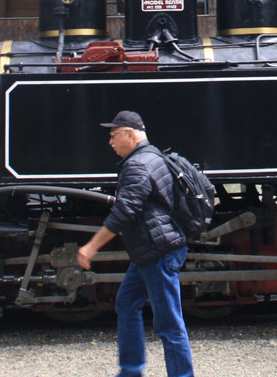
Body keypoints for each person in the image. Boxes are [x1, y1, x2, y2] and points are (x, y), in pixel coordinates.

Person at [77, 110, 194, 377]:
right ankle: (131, 371)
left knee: (169, 325)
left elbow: (125, 210)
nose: (110, 142)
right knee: (126, 303)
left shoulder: (137, 165)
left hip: (157, 251)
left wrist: (91, 246)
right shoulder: (153, 155)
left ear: (129, 134)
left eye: (113, 135)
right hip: (149, 250)